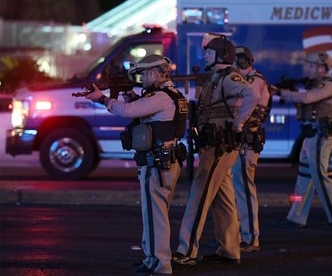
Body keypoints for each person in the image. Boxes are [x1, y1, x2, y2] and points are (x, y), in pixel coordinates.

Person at [85, 54, 188, 275]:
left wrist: (102, 99)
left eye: (145, 73)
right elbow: (146, 113)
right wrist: (132, 98)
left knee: (154, 215)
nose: (142, 78)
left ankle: (160, 264)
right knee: (156, 215)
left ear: (157, 73)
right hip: (165, 161)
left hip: (157, 163)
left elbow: (127, 112)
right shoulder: (172, 94)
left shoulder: (160, 97)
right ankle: (152, 258)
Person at [172, 36, 260, 266]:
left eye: (209, 52)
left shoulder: (230, 77)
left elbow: (252, 94)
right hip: (216, 145)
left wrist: (238, 123)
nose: (205, 55)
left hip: (219, 146)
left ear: (221, 55)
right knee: (224, 200)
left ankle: (187, 250)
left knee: (198, 197)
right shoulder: (218, 77)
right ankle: (230, 250)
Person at [271, 51, 332, 230]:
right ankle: (296, 217)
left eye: (312, 66)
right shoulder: (317, 85)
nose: (308, 68)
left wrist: (281, 92)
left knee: (320, 178)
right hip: (311, 136)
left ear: (322, 68)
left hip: (320, 135)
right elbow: (305, 104)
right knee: (304, 178)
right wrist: (290, 93)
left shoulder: (328, 85)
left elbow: (307, 98)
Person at [231, 46, 271, 252]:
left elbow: (249, 98)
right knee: (236, 189)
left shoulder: (255, 80)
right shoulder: (248, 79)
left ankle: (250, 237)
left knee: (245, 189)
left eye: (236, 61)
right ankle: (236, 236)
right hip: (241, 140)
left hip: (247, 139)